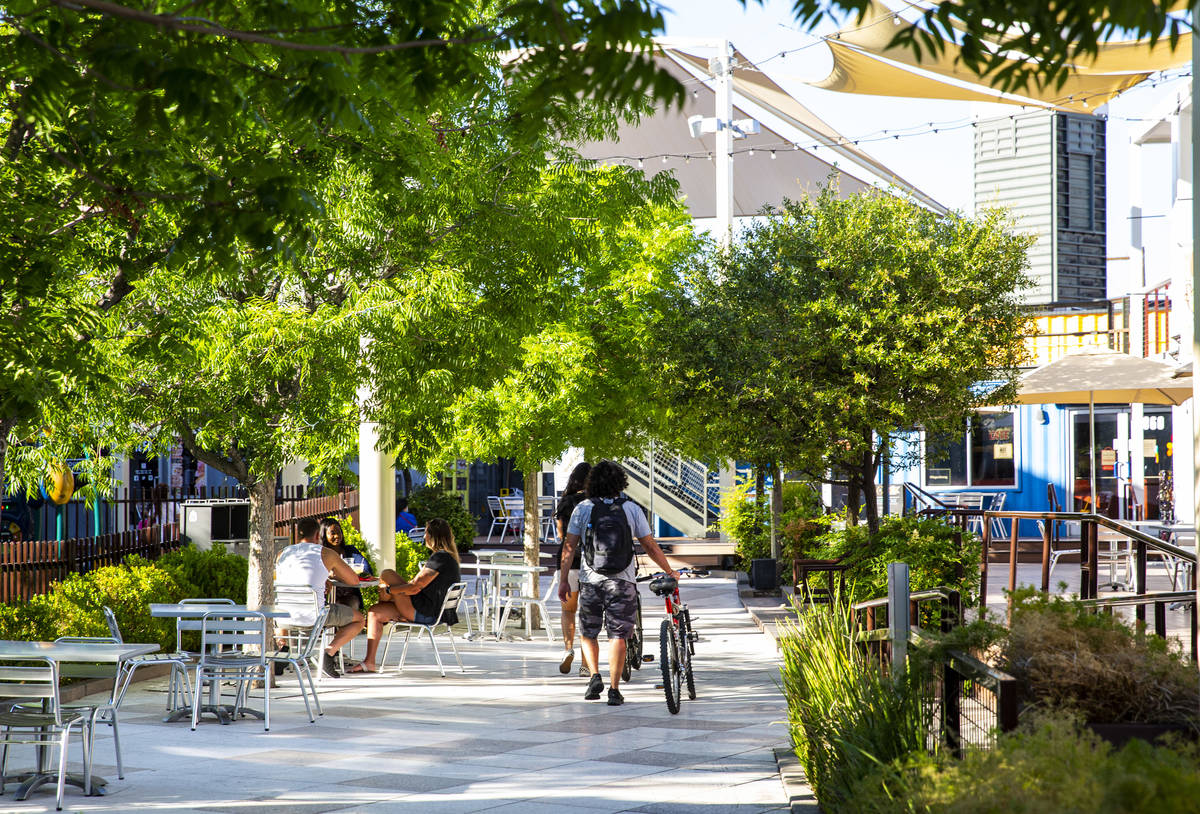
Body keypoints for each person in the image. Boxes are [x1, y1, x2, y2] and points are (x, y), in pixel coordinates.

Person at [559, 460, 678, 707]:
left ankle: (594, 676)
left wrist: (563, 580)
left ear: (592, 483)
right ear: (620, 483)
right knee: (619, 635)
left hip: (591, 581)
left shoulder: (582, 508)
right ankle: (614, 689)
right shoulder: (631, 509)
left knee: (588, 632)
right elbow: (649, 545)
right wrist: (669, 570)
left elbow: (569, 547)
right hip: (623, 582)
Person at [348, 517, 461, 674]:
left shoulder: (441, 558)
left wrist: (388, 591)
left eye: (426, 533)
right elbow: (416, 585)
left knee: (387, 575)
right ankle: (369, 662)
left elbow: (414, 588)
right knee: (375, 612)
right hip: (428, 610)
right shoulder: (448, 558)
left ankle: (389, 602)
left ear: (433, 536)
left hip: (426, 613)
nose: (423, 537)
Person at [275, 517, 364, 678]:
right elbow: (354, 580)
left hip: (283, 618)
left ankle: (283, 648)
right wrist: (331, 574)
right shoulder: (326, 554)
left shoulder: (282, 554)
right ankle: (328, 653)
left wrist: (323, 579)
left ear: (297, 535)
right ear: (318, 535)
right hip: (314, 616)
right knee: (359, 619)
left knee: (284, 602)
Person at [554, 461, 591, 676]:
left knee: (568, 611)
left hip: (568, 561)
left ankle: (568, 649)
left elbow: (561, 535)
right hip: (590, 561)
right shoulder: (594, 503)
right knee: (587, 614)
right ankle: (586, 664)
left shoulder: (566, 502)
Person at [320, 516, 373, 612]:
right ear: (324, 535)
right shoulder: (321, 554)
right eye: (332, 533)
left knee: (352, 603)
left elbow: (366, 569)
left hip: (349, 597)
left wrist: (343, 574)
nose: (337, 536)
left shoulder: (350, 551)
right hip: (325, 599)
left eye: (339, 532)